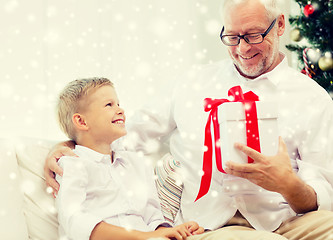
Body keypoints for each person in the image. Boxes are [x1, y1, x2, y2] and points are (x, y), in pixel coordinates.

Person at [46, 0, 333, 239]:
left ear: (280, 25)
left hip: (288, 221)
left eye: (254, 35)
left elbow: (322, 193)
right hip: (212, 225)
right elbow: (126, 135)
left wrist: (287, 184)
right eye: (232, 37)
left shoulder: (312, 98)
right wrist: (69, 144)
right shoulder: (192, 83)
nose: (243, 49)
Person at [54, 77, 205, 240]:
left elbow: (153, 216)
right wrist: (143, 236)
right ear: (81, 121)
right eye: (109, 105)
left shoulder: (136, 162)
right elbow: (75, 221)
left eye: (118, 104)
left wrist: (172, 231)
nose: (120, 110)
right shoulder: (73, 164)